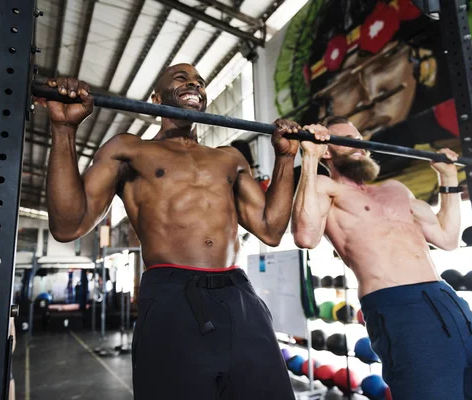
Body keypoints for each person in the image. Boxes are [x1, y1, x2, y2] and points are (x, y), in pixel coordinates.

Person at [36, 63, 298, 399]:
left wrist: (286, 159)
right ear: (155, 97)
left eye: (199, 82)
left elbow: (271, 230)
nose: (194, 83)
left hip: (239, 294)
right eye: (182, 78)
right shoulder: (128, 149)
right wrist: (63, 130)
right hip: (173, 296)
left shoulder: (230, 158)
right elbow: (68, 224)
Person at [291, 117, 472, 399]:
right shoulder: (326, 188)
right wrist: (309, 157)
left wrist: (447, 177)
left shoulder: (396, 189)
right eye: (348, 140)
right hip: (396, 307)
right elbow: (305, 236)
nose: (361, 146)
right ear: (327, 150)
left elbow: (447, 239)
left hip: (447, 300)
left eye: (361, 140)